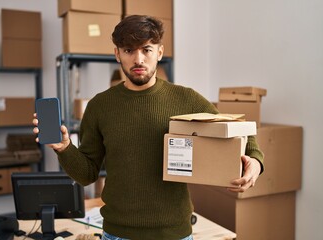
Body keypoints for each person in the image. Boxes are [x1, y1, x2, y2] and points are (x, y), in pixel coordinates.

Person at [33, 15, 264, 240]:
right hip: (117, 233)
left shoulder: (186, 99)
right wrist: (64, 148)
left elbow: (237, 131)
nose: (139, 59)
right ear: (117, 54)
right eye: (129, 50)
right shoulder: (99, 106)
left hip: (174, 233)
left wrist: (255, 161)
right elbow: (86, 174)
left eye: (147, 49)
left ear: (159, 52)